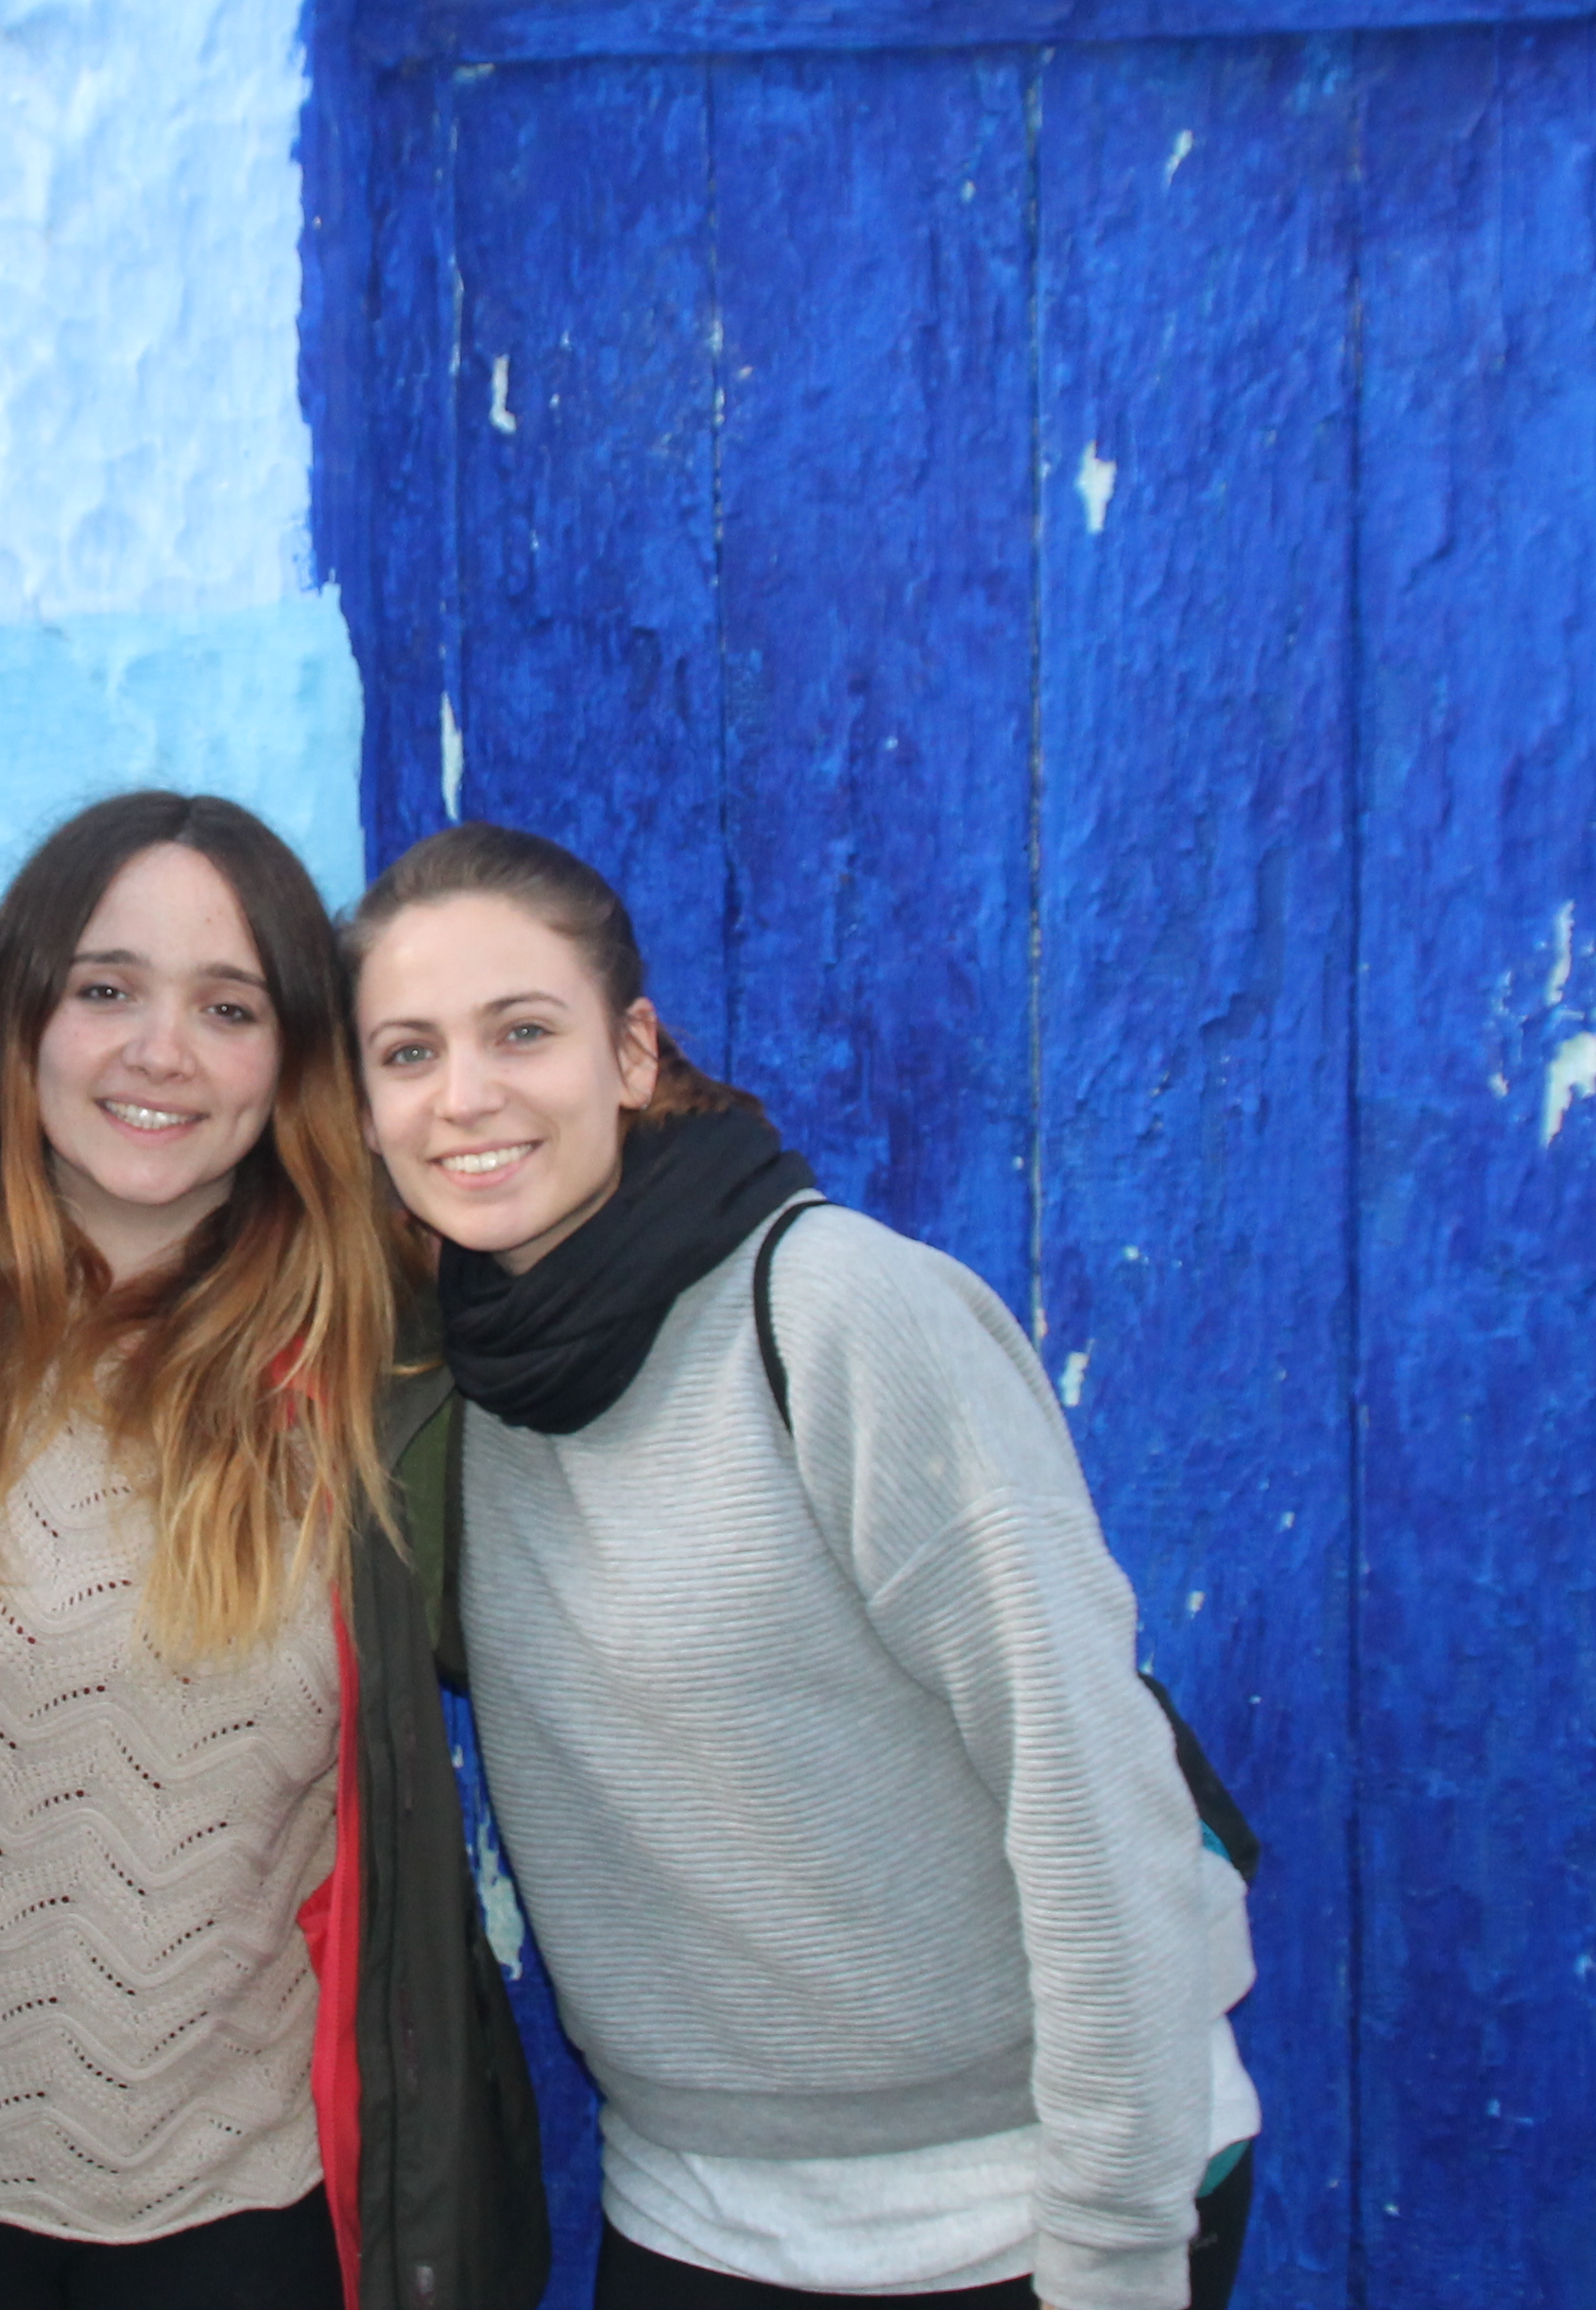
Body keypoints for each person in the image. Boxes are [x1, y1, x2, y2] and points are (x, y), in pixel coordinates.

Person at [343, 823, 1260, 2310]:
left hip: (1018, 2206)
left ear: (632, 1053)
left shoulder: (832, 1313)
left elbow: (1095, 1800)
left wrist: (1113, 2249)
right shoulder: (465, 1392)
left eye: (524, 1031)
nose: (468, 1096)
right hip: (697, 2216)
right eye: (407, 1052)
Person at [0, 792, 549, 2310]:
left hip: (244, 2211)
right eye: (106, 989)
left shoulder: (387, 1378)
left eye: (229, 1007)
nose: (158, 1052)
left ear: (296, 1059)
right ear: (26, 1015)